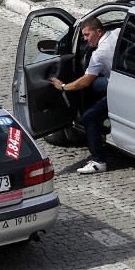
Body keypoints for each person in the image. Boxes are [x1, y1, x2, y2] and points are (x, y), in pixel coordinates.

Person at [49, 15, 118, 175]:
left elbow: (85, 81)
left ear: (99, 31)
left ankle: (99, 161)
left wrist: (64, 87)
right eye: (83, 36)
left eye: (87, 35)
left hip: (118, 89)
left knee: (89, 117)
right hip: (119, 80)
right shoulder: (116, 33)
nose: (85, 39)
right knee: (95, 85)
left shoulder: (99, 54)